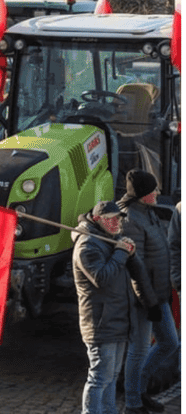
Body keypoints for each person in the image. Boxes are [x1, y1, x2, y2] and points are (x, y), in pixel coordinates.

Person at [72, 200, 147, 414]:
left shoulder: (110, 240)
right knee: (99, 378)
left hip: (118, 320)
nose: (116, 223)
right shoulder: (87, 245)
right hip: (100, 323)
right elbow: (102, 278)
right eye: (110, 219)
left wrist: (127, 252)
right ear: (97, 220)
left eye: (118, 218)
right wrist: (121, 253)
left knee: (111, 377)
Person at [119, 170, 177, 414]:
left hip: (159, 294)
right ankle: (133, 402)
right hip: (143, 299)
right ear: (143, 195)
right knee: (139, 349)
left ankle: (139, 389)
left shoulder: (148, 213)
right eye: (153, 189)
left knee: (170, 342)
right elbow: (136, 265)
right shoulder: (130, 219)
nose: (158, 193)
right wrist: (149, 302)